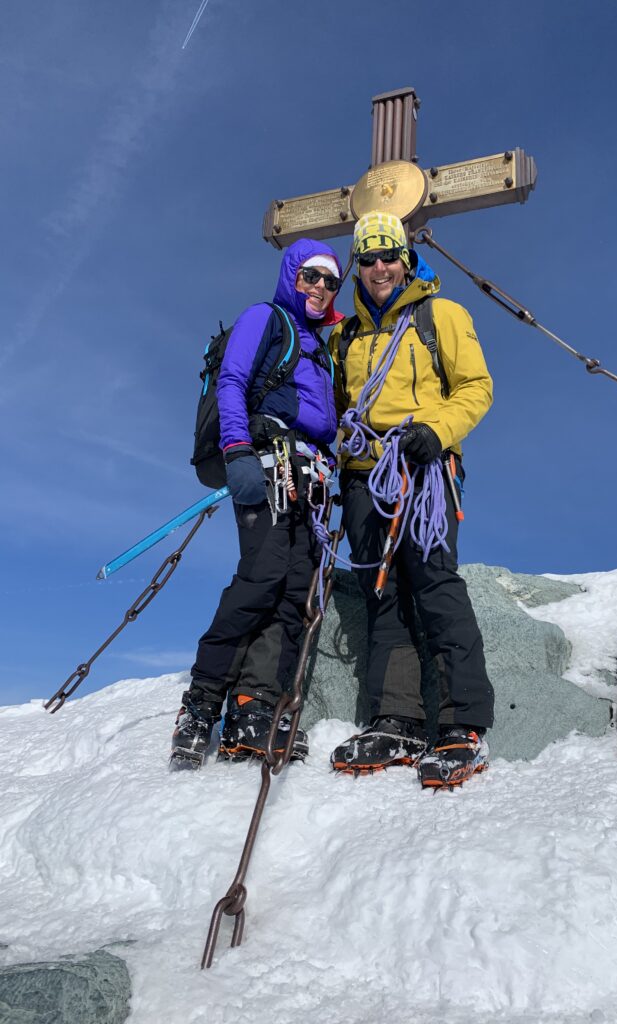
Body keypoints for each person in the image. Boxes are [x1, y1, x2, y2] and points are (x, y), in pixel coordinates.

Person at [327, 211, 495, 789]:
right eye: (367, 258)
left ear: (405, 258)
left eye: (388, 256)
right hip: (363, 478)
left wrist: (436, 430)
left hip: (422, 468)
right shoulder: (345, 336)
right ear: (358, 265)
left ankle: (463, 724)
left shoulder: (440, 315)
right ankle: (397, 717)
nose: (378, 268)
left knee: (434, 582)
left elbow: (477, 386)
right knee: (383, 594)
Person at [170, 238, 344, 770]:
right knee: (262, 577)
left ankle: (256, 704)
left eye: (330, 282)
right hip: (268, 467)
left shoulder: (320, 348)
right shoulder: (265, 319)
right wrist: (238, 451)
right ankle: (201, 703)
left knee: (294, 591)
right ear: (292, 274)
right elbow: (233, 380)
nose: (320, 287)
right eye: (311, 275)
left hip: (309, 480)